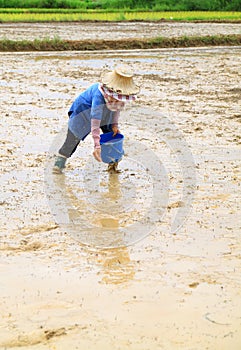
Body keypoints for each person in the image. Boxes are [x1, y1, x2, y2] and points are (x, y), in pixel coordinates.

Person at [53, 65, 139, 174]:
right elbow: (95, 123)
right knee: (72, 140)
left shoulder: (119, 96)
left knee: (112, 136)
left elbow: (117, 109)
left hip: (107, 112)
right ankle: (58, 164)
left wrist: (115, 125)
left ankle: (112, 167)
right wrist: (97, 145)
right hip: (84, 112)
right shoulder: (98, 96)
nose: (117, 99)